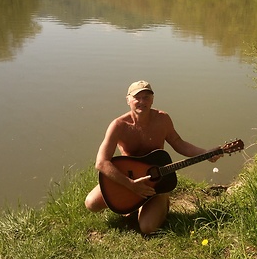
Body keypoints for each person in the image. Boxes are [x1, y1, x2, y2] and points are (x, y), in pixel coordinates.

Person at [85, 80, 222, 234]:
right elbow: (101, 163)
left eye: (146, 97)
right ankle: (134, 203)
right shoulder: (118, 126)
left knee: (147, 228)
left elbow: (178, 143)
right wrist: (130, 185)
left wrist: (205, 153)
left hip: (156, 183)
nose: (142, 102)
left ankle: (161, 200)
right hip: (129, 179)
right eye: (137, 97)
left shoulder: (162, 119)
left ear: (152, 99)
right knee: (91, 203)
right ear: (128, 100)